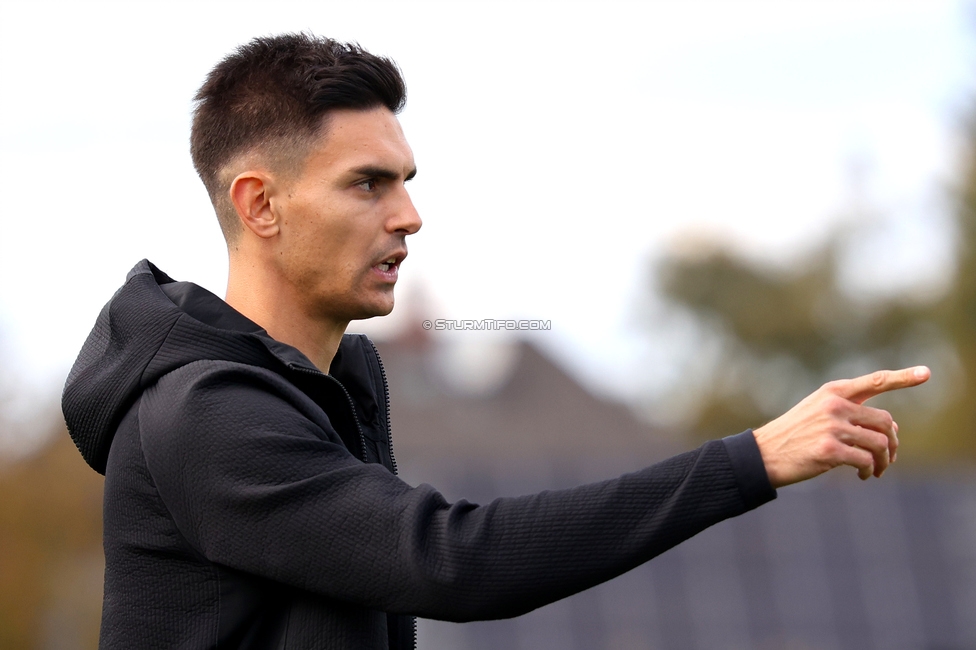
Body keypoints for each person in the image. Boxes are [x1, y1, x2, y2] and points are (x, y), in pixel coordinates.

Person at [61, 33, 930, 650]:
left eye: (405, 181)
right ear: (260, 204)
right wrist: (751, 459)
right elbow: (449, 561)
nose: (409, 215)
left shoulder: (338, 380)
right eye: (367, 184)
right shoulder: (206, 415)